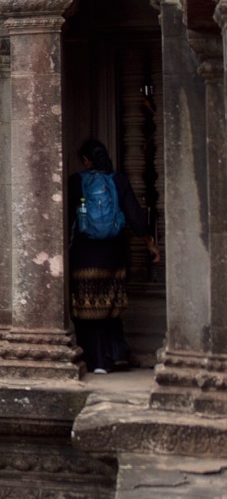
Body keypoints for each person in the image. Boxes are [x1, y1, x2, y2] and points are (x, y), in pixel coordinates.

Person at [68, 138, 158, 374]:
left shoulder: (76, 181)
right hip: (113, 254)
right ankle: (116, 355)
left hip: (84, 255)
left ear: (86, 161)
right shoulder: (118, 180)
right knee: (110, 307)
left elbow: (66, 218)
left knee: (87, 309)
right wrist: (150, 244)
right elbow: (136, 217)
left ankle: (96, 360)